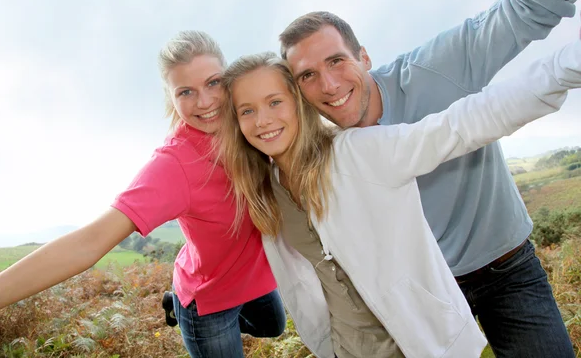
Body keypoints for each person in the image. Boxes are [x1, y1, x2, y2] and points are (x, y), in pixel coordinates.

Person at [276, 0, 581, 356]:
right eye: (308, 75)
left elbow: (523, 7)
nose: (329, 84)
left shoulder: (433, 70)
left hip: (506, 268)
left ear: (364, 57)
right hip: (427, 293)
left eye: (336, 61)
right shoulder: (326, 153)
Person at [216, 40, 581, 358]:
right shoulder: (266, 190)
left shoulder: (358, 153)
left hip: (426, 347)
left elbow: (460, 125)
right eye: (247, 110)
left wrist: (566, 63)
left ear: (297, 103)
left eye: (274, 102)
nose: (262, 120)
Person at [0, 30, 285, 358]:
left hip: (250, 277)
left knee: (273, 326)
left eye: (213, 83)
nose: (205, 101)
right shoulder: (175, 165)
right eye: (186, 92)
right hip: (209, 300)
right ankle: (183, 312)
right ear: (171, 98)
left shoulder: (250, 121)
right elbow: (88, 243)